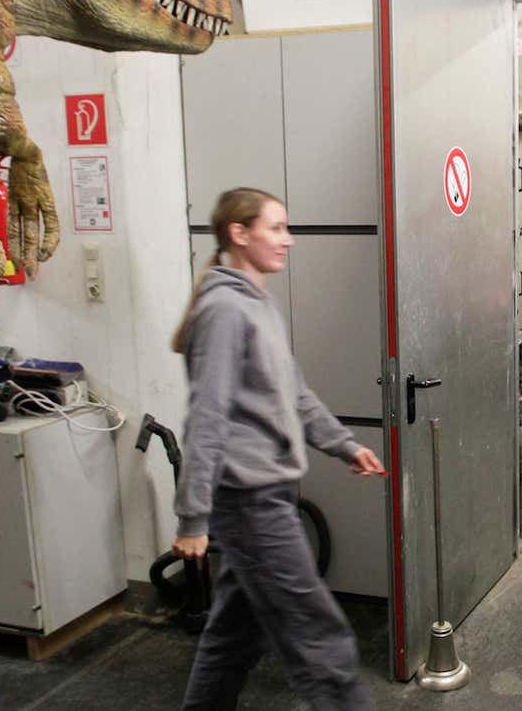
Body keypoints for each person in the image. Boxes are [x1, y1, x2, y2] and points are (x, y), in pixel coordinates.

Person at [171, 187, 385, 710]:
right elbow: (208, 416)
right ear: (239, 235)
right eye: (276, 228)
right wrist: (193, 517)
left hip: (268, 491)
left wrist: (343, 444)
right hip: (249, 499)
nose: (288, 240)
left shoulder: (258, 304)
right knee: (320, 638)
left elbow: (293, 392)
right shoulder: (224, 310)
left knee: (232, 637)